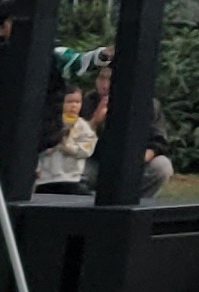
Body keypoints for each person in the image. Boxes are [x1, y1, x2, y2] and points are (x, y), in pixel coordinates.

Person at [91, 56, 176, 200]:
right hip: (97, 163)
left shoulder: (147, 104)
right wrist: (95, 122)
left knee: (162, 166)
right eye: (101, 79)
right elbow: (75, 139)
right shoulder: (89, 101)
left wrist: (137, 160)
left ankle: (138, 201)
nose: (105, 85)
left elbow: (158, 141)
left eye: (110, 80)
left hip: (136, 162)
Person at [34, 84, 98, 194]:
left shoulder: (83, 127)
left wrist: (67, 147)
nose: (73, 106)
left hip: (71, 179)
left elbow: (86, 150)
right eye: (69, 102)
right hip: (46, 179)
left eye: (77, 102)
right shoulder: (49, 124)